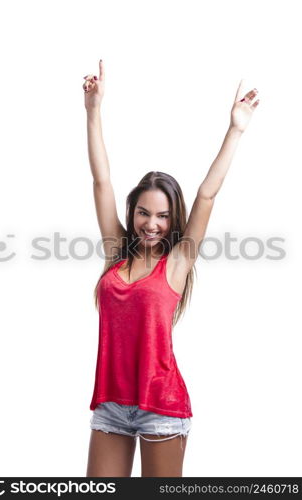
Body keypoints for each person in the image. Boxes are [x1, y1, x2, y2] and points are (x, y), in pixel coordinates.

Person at [83, 60, 259, 477]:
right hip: (110, 405)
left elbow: (206, 196)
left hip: (161, 405)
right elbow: (101, 182)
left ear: (173, 219)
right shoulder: (116, 254)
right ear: (134, 212)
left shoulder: (177, 263)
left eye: (162, 216)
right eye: (144, 213)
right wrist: (93, 111)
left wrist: (235, 129)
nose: (151, 224)